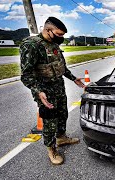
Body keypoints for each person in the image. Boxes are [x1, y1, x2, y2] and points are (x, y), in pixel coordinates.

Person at [20, 17, 85, 165]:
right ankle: (51, 149)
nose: (61, 38)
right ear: (48, 30)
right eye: (59, 34)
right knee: (50, 121)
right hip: (44, 92)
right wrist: (38, 91)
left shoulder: (54, 44)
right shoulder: (32, 45)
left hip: (59, 87)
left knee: (63, 113)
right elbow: (26, 75)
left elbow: (60, 66)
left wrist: (73, 78)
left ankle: (61, 137)